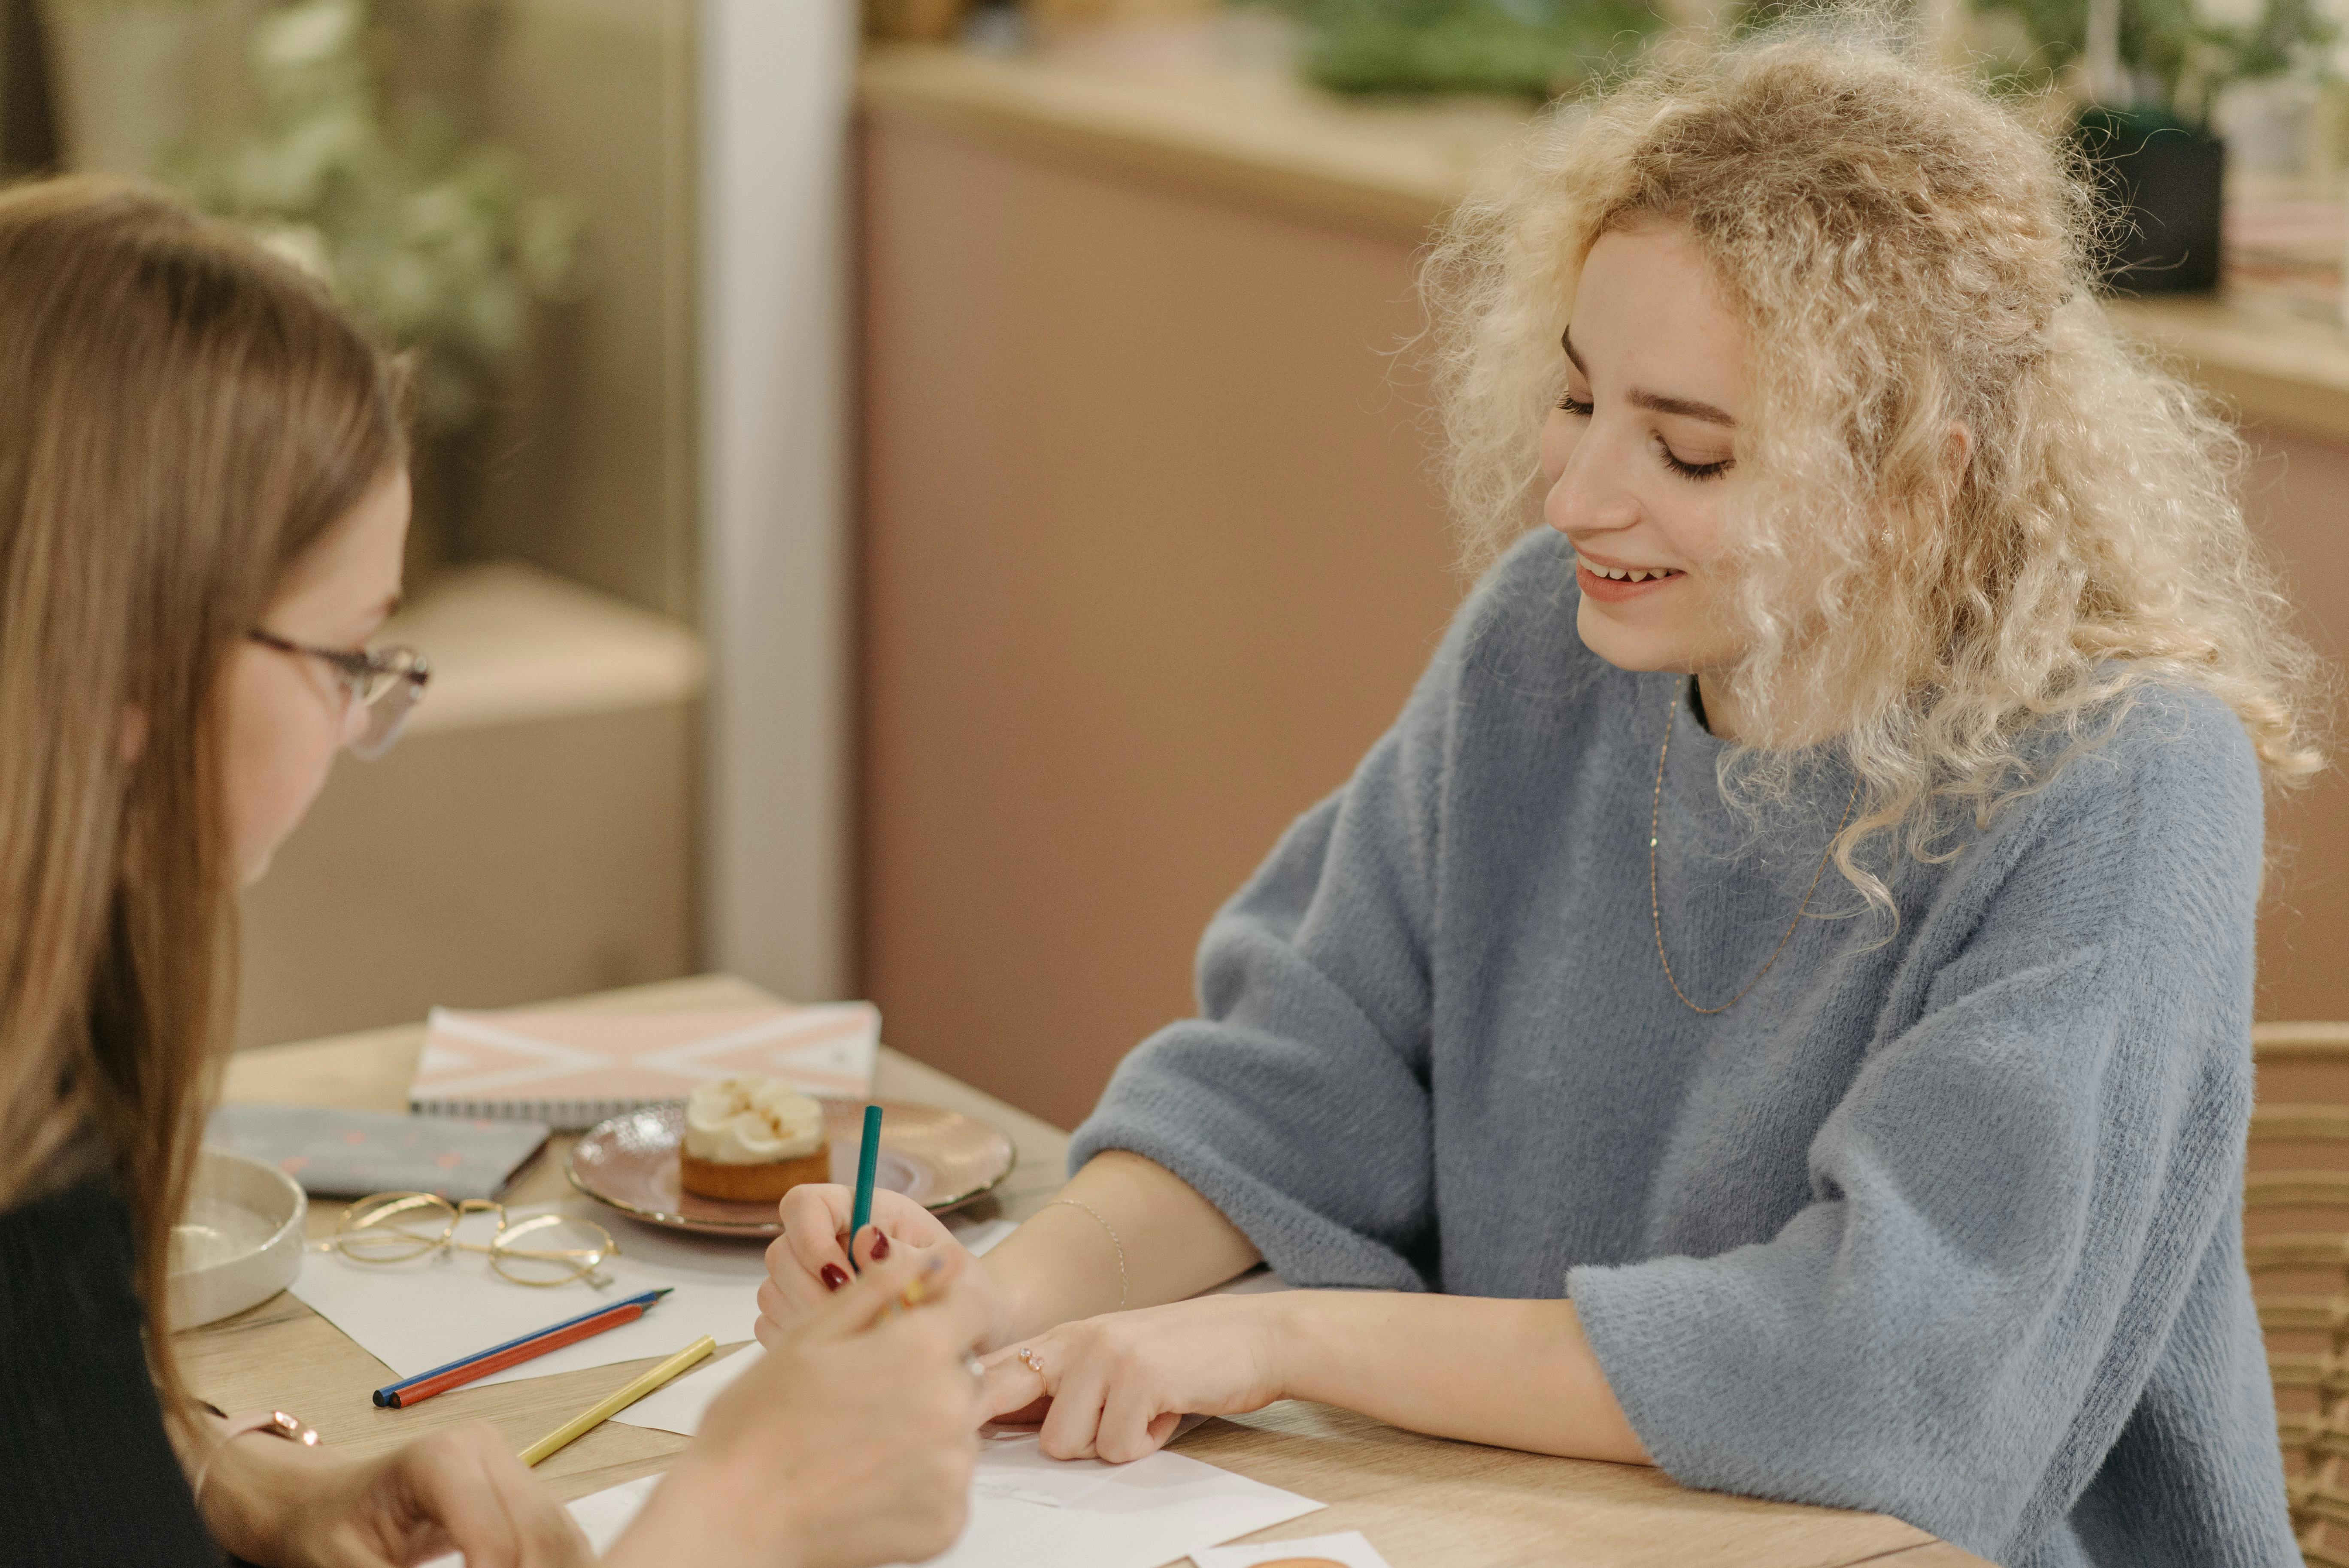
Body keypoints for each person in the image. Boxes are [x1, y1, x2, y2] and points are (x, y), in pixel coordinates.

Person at [759, 31, 2318, 1568]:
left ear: (1917, 481)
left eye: (1686, 452)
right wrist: (993, 1297)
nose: (1576, 498)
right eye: (1579, 404)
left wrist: (1288, 1343)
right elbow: (1296, 1076)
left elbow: (1888, 1366)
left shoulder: (2123, 784)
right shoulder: (1549, 642)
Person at [0, 176, 990, 1568]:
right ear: (124, 661)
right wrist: (733, 1525)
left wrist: (237, 1483)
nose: (358, 729)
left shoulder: (45, 1041)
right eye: (348, 660)